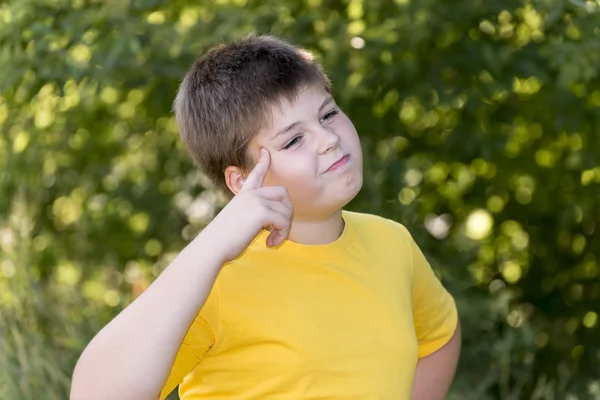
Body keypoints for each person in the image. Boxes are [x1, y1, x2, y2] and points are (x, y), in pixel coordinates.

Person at [70, 34, 461, 400]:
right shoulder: (217, 278)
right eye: (293, 140)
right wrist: (210, 245)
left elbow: (439, 336)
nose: (329, 140)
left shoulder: (391, 242)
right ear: (241, 180)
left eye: (327, 114)